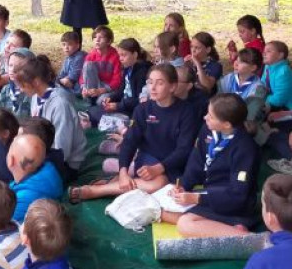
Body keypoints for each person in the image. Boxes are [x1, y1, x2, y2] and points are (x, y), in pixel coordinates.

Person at [71, 64, 199, 202]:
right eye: (150, 82)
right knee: (158, 184)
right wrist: (123, 171)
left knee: (163, 186)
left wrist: (160, 168)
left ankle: (108, 186)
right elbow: (130, 142)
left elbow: (184, 150)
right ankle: (95, 190)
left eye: (159, 83)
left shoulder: (187, 111)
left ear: (173, 86)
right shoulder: (142, 109)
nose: (153, 88)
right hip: (147, 159)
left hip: (173, 164)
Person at [163, 94, 261, 236]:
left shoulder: (245, 148)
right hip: (209, 194)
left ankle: (243, 235)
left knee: (185, 224)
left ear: (226, 124)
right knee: (165, 209)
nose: (205, 118)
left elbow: (238, 195)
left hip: (234, 204)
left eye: (211, 116)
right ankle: (231, 228)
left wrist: (197, 199)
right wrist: (183, 185)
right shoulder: (208, 130)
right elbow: (196, 163)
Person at [18, 57, 88, 178]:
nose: (20, 89)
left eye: (22, 85)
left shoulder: (60, 104)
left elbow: (62, 150)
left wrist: (34, 161)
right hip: (42, 152)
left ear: (35, 82)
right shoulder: (36, 97)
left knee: (23, 176)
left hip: (64, 163)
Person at [88, 37, 151, 126]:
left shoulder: (142, 72)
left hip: (132, 111)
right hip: (123, 105)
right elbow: (121, 90)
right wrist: (112, 98)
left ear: (135, 54)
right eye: (119, 55)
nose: (120, 58)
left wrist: (118, 106)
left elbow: (139, 100)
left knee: (96, 114)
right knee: (93, 110)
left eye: (124, 55)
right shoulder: (127, 68)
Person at [219, 47, 268, 125]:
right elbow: (218, 101)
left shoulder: (258, 89)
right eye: (236, 60)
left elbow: (251, 116)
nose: (236, 63)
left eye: (241, 62)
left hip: (246, 124)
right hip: (225, 118)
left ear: (253, 67)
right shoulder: (227, 79)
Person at [78, 25, 122, 105]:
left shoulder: (115, 56)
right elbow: (82, 75)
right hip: (94, 85)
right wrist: (84, 88)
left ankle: (94, 100)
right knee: (88, 65)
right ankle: (89, 99)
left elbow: (117, 79)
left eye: (101, 37)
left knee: (100, 102)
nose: (97, 40)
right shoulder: (91, 55)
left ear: (109, 41)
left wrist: (101, 91)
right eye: (95, 37)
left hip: (109, 88)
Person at [261, 40, 292, 112]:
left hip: (289, 108)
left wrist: (261, 98)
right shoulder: (268, 67)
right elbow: (261, 85)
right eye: (264, 51)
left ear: (280, 55)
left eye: (268, 51)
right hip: (273, 102)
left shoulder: (284, 72)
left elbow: (279, 100)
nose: (264, 53)